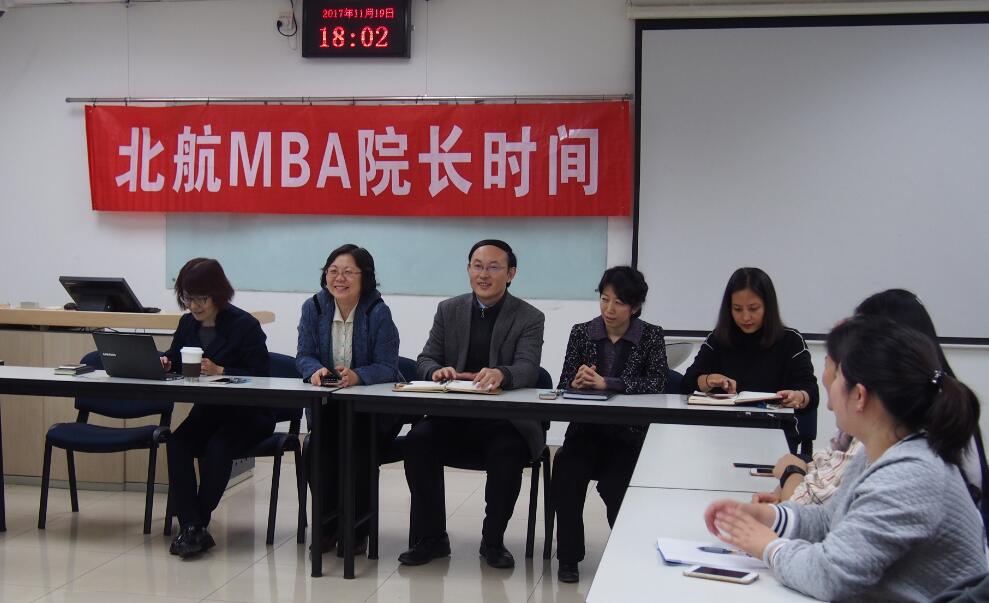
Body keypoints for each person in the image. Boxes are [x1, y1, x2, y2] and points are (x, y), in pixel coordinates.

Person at [703, 315, 987, 602]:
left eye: (836, 373)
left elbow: (831, 576)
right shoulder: (878, 450)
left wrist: (768, 546)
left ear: (859, 396)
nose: (827, 381)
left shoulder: (910, 474)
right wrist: (770, 517)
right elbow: (832, 520)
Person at [754, 289, 988, 514]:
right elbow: (827, 510)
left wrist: (791, 475)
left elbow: (824, 518)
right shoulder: (906, 412)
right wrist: (784, 508)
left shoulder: (899, 436)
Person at [398, 239, 545, 569]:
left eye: (494, 267)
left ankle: (492, 542)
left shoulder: (529, 317)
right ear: (468, 269)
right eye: (477, 266)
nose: (484, 274)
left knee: (508, 452)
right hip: (452, 416)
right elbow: (425, 358)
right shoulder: (448, 310)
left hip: (503, 421)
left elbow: (528, 367)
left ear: (511, 274)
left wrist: (502, 373)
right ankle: (432, 538)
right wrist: (436, 371)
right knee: (418, 442)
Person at [551, 266, 668, 584]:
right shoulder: (582, 332)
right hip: (585, 432)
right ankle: (569, 557)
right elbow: (563, 384)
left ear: (635, 307)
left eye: (619, 302)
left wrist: (609, 383)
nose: (609, 309)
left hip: (627, 437)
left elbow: (657, 385)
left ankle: (628, 552)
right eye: (604, 299)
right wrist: (575, 382)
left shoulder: (651, 336)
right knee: (567, 472)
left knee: (618, 485)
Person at [296, 244, 403, 555]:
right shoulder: (314, 307)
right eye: (333, 271)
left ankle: (357, 530)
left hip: (370, 412)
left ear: (364, 277)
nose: (339, 279)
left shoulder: (377, 311)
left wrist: (357, 376)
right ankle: (327, 525)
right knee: (316, 450)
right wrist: (315, 370)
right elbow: (303, 355)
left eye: (348, 272)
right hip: (329, 408)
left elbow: (388, 366)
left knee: (357, 449)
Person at [163, 258, 271, 559]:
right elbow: (175, 356)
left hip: (248, 414)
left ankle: (194, 525)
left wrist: (223, 370)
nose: (194, 306)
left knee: (218, 447)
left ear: (218, 294)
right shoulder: (187, 324)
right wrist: (166, 362)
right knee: (177, 443)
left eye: (201, 298)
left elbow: (263, 375)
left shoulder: (244, 325)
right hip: (208, 411)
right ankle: (193, 526)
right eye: (188, 298)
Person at [681, 267, 818, 451]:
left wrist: (799, 396)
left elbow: (811, 391)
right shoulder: (718, 339)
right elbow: (687, 384)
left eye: (753, 308)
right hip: (719, 436)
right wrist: (707, 380)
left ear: (768, 306)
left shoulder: (791, 341)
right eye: (737, 309)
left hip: (775, 435)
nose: (745, 317)